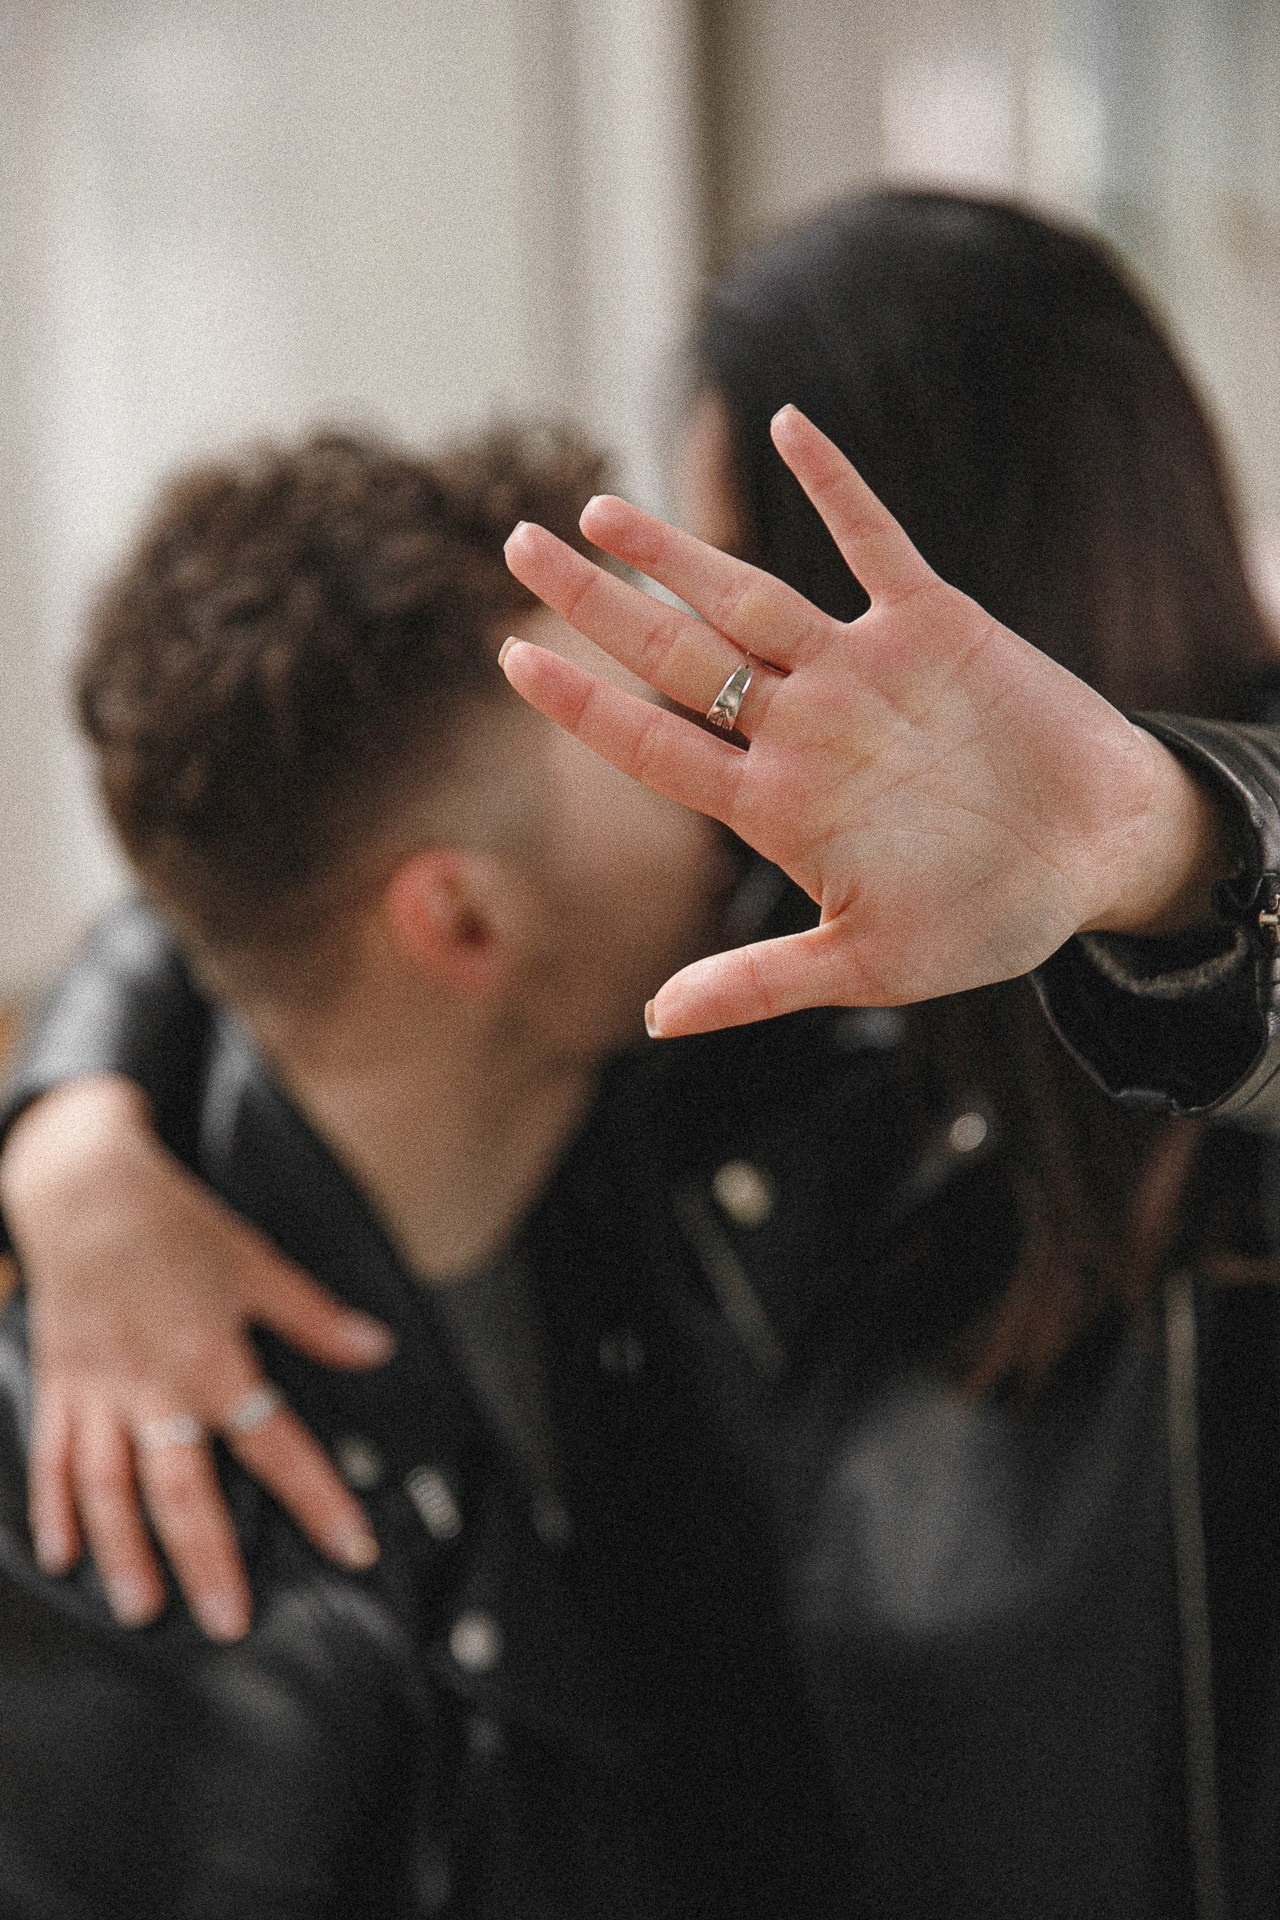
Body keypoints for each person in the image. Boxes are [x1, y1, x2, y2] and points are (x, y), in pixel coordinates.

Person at [7, 191, 1280, 1918]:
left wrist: (1161, 848)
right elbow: (295, 828)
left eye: (745, 628)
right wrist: (73, 1139)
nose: (704, 705)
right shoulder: (727, 995)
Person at [0, 425, 842, 1917]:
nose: (726, 774)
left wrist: (61, 1123)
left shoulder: (690, 1127)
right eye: (638, 735)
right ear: (457, 924)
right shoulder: (103, 1545)